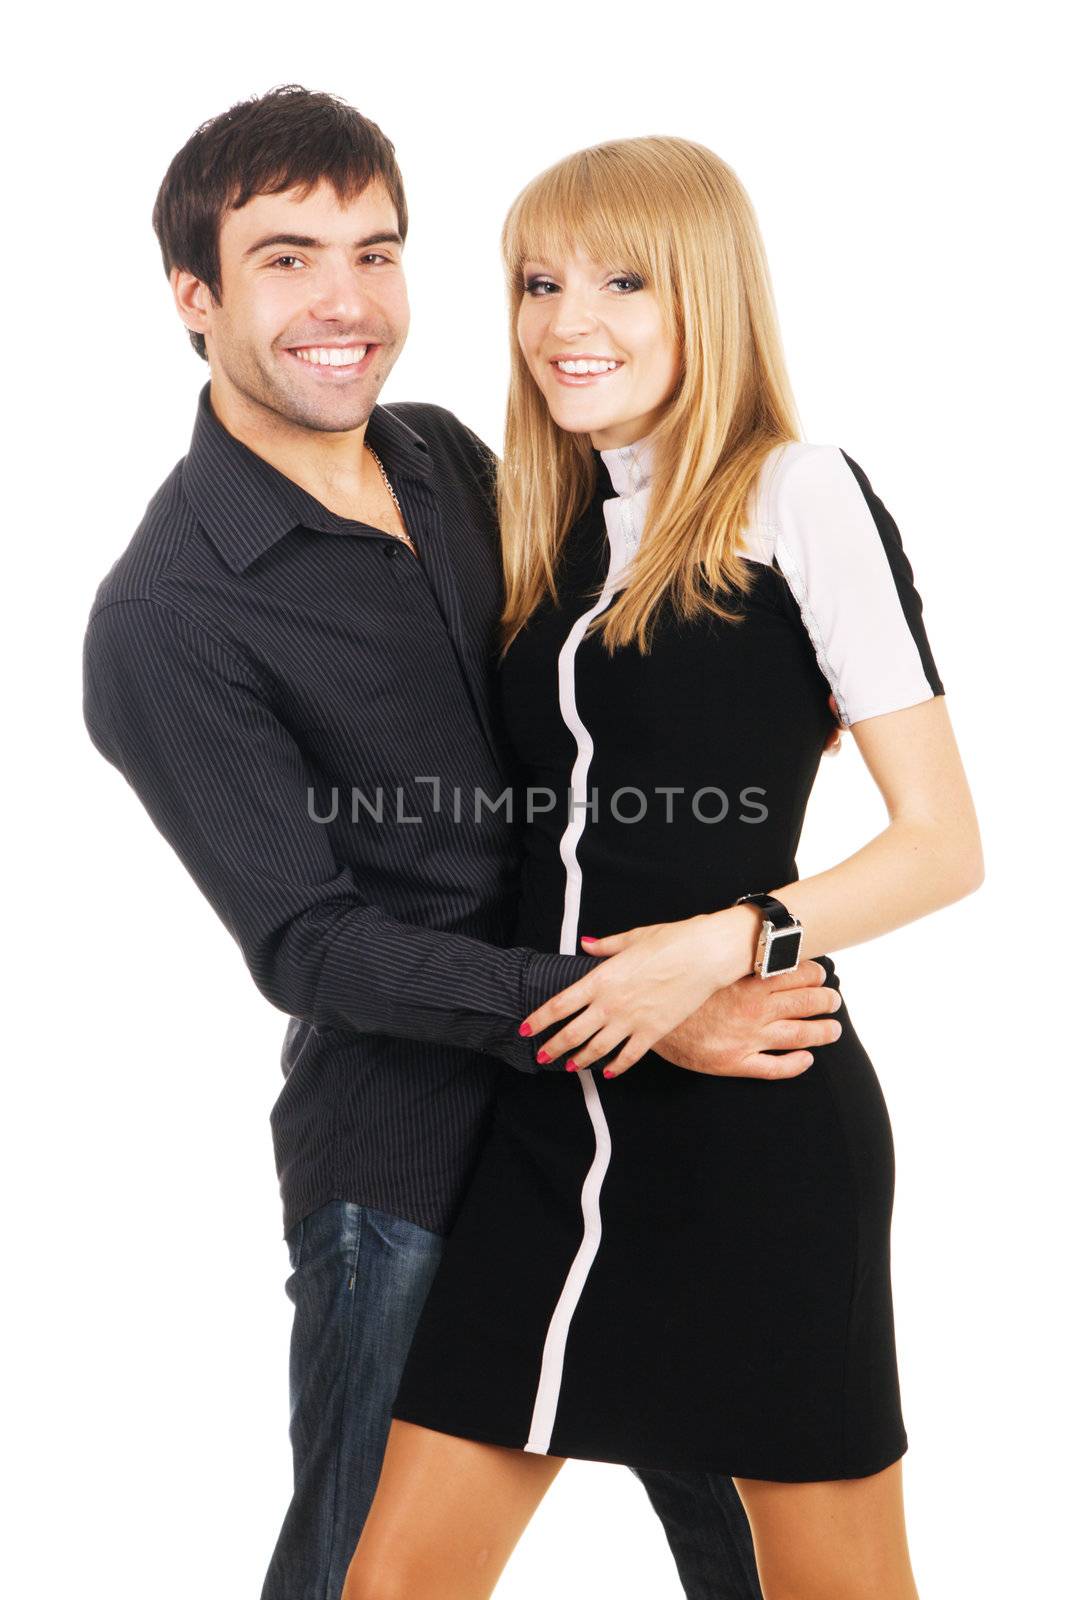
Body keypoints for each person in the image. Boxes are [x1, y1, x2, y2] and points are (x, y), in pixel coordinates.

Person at [81, 88, 845, 1600]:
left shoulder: (440, 456)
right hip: (414, 1156)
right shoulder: (166, 616)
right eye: (289, 259)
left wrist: (769, 686)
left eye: (379, 251)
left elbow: (595, 679)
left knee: (740, 1524)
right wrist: (627, 1003)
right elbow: (313, 945)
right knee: (372, 1567)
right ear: (194, 295)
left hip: (628, 1110)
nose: (348, 304)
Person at [342, 137, 984, 1600]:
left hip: (754, 1132)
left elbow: (945, 846)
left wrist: (716, 945)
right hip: (545, 1124)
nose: (572, 321)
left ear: (709, 294)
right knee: (393, 1585)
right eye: (538, 282)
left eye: (625, 280)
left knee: (837, 1588)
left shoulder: (799, 492)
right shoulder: (539, 521)